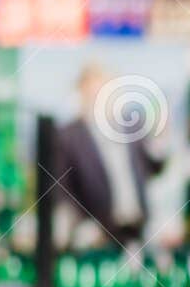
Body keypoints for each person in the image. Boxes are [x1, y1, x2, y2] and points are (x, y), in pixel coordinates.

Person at [52, 63, 166, 248]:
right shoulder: (69, 136)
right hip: (98, 235)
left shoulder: (132, 127)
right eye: (94, 93)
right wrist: (79, 225)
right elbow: (62, 188)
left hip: (139, 229)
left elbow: (154, 168)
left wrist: (159, 144)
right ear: (82, 93)